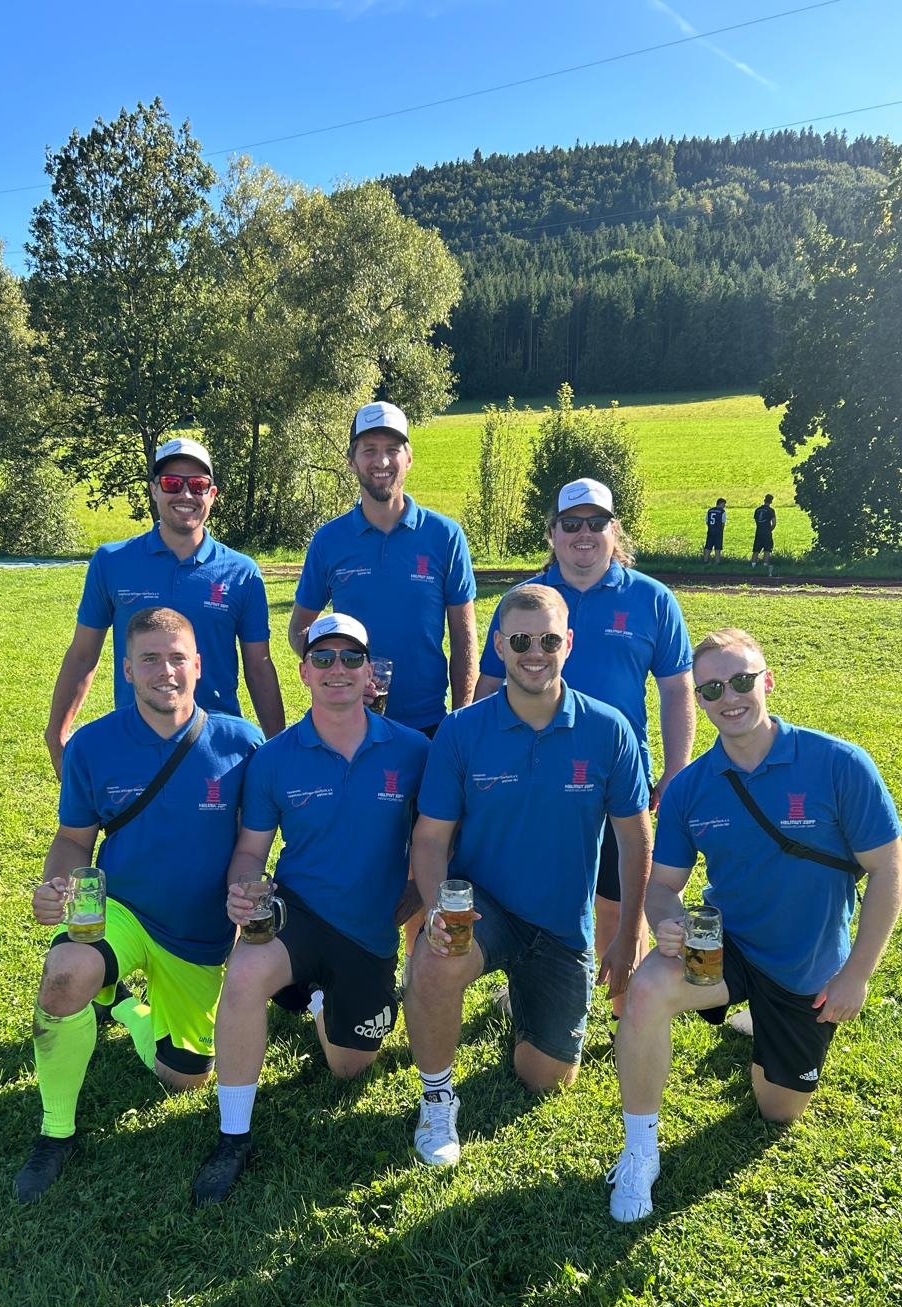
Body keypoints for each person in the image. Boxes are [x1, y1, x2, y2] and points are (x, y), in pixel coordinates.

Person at [606, 628, 902, 1223]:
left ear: (767, 681)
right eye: (712, 688)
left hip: (806, 965)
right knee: (646, 990)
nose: (730, 697)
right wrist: (667, 921)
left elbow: (887, 871)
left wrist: (856, 976)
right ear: (699, 699)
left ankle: (757, 1023)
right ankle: (639, 1149)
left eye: (741, 680)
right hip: (727, 946)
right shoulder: (691, 787)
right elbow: (663, 888)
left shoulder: (839, 763)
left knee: (778, 1109)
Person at [16, 608, 263, 1202]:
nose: (165, 671)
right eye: (149, 658)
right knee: (64, 976)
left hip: (199, 935)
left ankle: (124, 1006)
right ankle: (55, 1133)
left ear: (198, 665)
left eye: (177, 657)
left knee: (184, 1078)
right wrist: (55, 887)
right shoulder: (92, 745)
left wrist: (248, 893)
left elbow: (253, 845)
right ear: (126, 669)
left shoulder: (242, 743)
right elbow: (73, 840)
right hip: (122, 911)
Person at [403, 584, 652, 1167]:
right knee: (435, 960)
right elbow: (431, 839)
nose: (534, 653)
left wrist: (627, 933)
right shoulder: (462, 730)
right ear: (499, 647)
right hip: (483, 907)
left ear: (569, 643)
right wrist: (438, 909)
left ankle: (520, 997)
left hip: (562, 925)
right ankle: (437, 1098)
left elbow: (635, 838)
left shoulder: (609, 729)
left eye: (547, 641)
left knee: (545, 1078)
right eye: (520, 641)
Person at [191, 613, 430, 1206]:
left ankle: (316, 995)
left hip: (369, 933)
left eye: (351, 658)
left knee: (349, 1067)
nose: (336, 669)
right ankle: (233, 1136)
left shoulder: (413, 750)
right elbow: (251, 851)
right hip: (297, 911)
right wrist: (243, 887)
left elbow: (437, 842)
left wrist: (412, 899)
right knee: (245, 973)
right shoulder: (274, 758)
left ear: (371, 673)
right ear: (303, 672)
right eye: (322, 658)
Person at [474, 477, 694, 988]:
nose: (583, 534)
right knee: (537, 891)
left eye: (596, 523)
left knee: (620, 898)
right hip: (533, 772)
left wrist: (677, 768)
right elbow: (487, 685)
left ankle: (624, 1007)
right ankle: (534, 990)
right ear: (552, 532)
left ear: (615, 530)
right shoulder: (525, 601)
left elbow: (677, 689)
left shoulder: (652, 599)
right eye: (571, 523)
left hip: (618, 775)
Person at [45, 437, 284, 778]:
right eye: (173, 483)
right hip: (135, 743)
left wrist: (276, 748)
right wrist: (56, 733)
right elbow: (83, 655)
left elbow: (258, 666)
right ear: (154, 490)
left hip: (217, 752)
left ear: (212, 495)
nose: (185, 494)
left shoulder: (241, 572)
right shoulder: (112, 562)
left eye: (197, 485)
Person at [288, 402, 478, 738]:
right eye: (369, 450)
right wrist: (339, 672)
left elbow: (464, 641)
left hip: (428, 724)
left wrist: (460, 725)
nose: (382, 461)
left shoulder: (444, 536)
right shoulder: (329, 540)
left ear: (409, 457)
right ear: (351, 460)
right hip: (351, 724)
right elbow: (299, 630)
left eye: (392, 449)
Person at [751, 493, 777, 574]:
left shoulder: (757, 510)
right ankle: (765, 565)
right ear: (771, 501)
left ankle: (753, 566)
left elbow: (756, 521)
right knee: (767, 550)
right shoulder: (771, 510)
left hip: (758, 531)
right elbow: (774, 523)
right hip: (767, 532)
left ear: (764, 500)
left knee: (756, 550)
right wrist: (770, 530)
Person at [703, 497, 727, 564]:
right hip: (718, 532)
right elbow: (723, 523)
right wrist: (721, 530)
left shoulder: (710, 510)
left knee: (708, 547)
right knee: (718, 548)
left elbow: (707, 521)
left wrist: (711, 527)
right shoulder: (722, 512)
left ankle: (705, 561)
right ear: (720, 503)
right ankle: (717, 562)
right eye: (724, 504)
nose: (724, 506)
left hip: (710, 531)